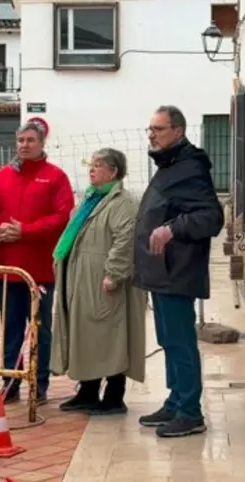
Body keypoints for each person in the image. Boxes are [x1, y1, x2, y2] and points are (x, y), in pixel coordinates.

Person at [134, 106, 224, 438]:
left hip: (177, 272)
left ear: (179, 131)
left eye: (158, 129)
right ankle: (175, 401)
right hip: (162, 272)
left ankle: (190, 411)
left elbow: (212, 218)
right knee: (168, 340)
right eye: (150, 129)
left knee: (181, 341)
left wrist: (171, 229)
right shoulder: (171, 164)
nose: (152, 134)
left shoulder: (190, 168)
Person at [0, 121, 73, 404]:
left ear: (42, 143)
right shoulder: (3, 176)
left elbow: (61, 216)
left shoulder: (55, 178)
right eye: (21, 140)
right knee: (10, 328)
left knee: (40, 329)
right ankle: (10, 382)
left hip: (40, 271)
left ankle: (39, 382)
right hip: (8, 268)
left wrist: (26, 231)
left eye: (30, 140)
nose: (24, 145)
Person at [51, 148, 146, 415]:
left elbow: (124, 240)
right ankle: (88, 391)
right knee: (86, 337)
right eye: (91, 165)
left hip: (103, 281)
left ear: (113, 172)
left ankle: (114, 395)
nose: (92, 170)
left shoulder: (122, 203)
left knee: (112, 337)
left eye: (98, 165)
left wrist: (114, 274)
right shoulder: (90, 199)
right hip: (82, 279)